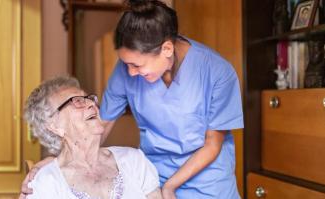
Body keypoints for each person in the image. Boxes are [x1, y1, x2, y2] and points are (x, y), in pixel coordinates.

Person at [21, 0, 243, 198]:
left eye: (137, 65)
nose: (130, 73)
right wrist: (59, 162)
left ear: (166, 49)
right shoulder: (126, 70)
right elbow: (101, 123)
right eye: (126, 63)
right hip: (153, 176)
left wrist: (171, 187)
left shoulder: (217, 72)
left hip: (208, 184)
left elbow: (213, 144)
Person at [22, 76, 162, 199]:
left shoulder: (133, 161)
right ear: (54, 126)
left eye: (89, 98)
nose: (91, 104)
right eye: (77, 101)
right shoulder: (46, 183)